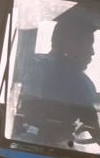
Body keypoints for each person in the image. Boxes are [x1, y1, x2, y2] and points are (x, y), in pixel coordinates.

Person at [17, 12, 99, 148]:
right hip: (53, 149)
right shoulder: (78, 82)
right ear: (70, 44)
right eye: (88, 44)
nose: (92, 52)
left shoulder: (30, 65)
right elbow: (94, 128)